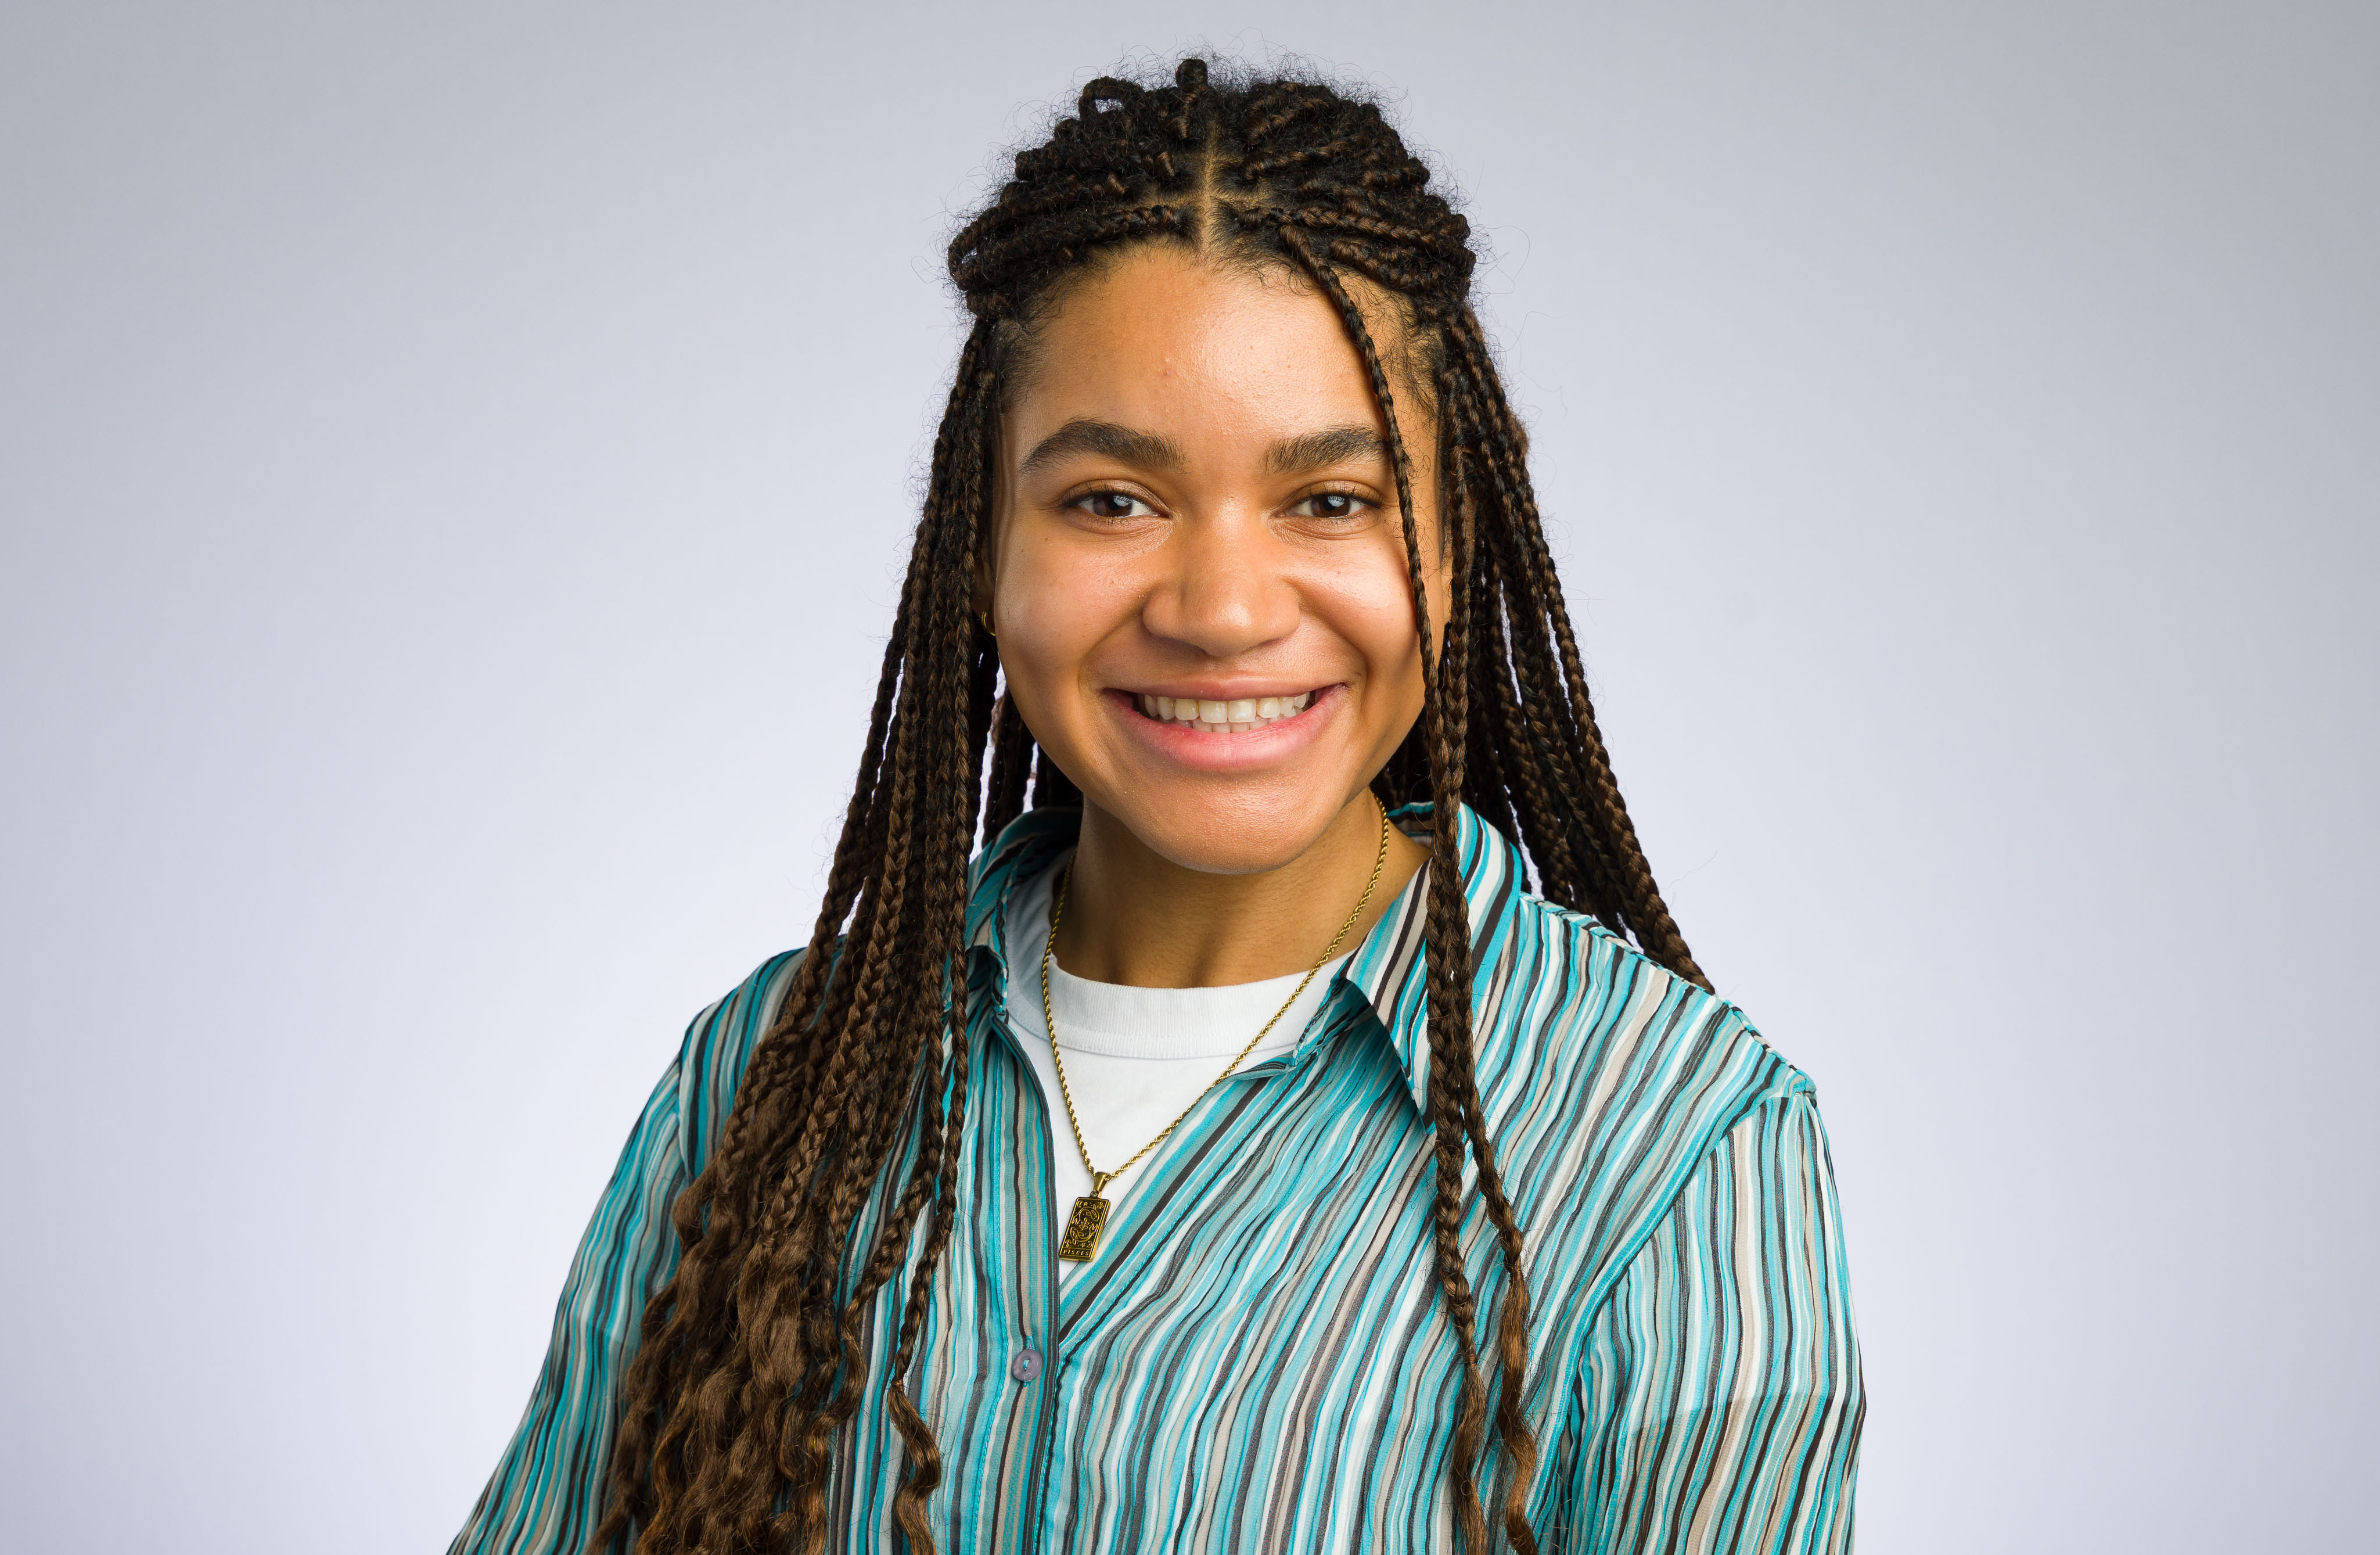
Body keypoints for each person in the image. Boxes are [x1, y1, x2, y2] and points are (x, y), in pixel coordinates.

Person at [451, 58, 1862, 1555]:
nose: (1224, 609)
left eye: (1332, 500)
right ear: (979, 544)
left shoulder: (1674, 1145)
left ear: (1463, 545)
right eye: (1113, 500)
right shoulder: (768, 1080)